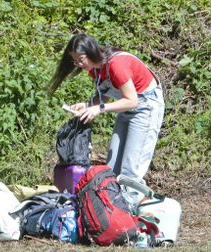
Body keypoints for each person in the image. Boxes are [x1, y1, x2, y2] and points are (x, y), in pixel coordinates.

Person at [49, 33, 165, 207]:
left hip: (146, 107)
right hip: (127, 109)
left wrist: (99, 109)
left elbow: (131, 100)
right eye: (74, 61)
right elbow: (105, 94)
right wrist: (87, 105)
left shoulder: (116, 65)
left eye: (80, 59)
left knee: (130, 170)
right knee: (112, 168)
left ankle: (130, 215)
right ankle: (112, 210)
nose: (79, 65)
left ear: (91, 52)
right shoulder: (94, 69)